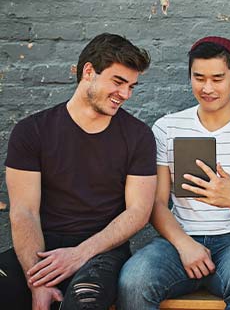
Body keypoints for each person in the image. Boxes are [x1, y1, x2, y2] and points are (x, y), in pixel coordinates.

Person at [117, 36, 230, 310]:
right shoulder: (167, 128)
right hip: (179, 236)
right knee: (133, 281)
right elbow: (155, 202)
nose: (207, 88)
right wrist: (184, 244)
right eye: (199, 78)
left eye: (217, 78)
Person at [0, 33, 154, 310]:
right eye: (118, 82)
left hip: (102, 251)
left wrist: (78, 255)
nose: (126, 94)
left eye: (131, 86)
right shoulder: (32, 131)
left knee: (84, 302)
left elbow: (138, 212)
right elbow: (24, 211)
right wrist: (38, 281)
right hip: (40, 247)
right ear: (88, 72)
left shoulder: (138, 136)